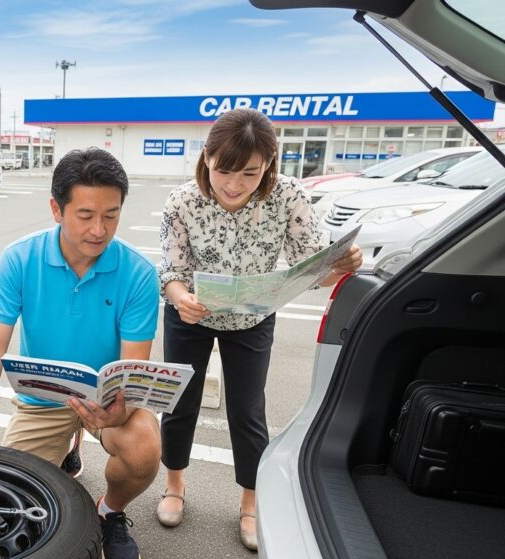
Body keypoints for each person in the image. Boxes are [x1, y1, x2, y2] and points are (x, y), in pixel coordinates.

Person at [0, 148, 161, 559]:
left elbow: (134, 370)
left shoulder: (140, 274)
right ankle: (66, 444)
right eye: (86, 215)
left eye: (111, 215)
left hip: (104, 402)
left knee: (144, 447)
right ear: (56, 208)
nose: (99, 229)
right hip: (43, 399)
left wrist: (119, 414)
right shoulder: (19, 259)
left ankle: (109, 511)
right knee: (13, 496)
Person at [155, 108, 363, 551]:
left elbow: (313, 267)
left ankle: (250, 503)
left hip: (253, 318)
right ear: (206, 158)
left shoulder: (290, 196)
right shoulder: (182, 201)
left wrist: (340, 265)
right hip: (191, 313)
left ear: (269, 163)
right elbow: (171, 270)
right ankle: (174, 485)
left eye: (249, 173)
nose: (233, 184)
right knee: (179, 401)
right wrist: (179, 297)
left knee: (248, 411)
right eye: (224, 170)